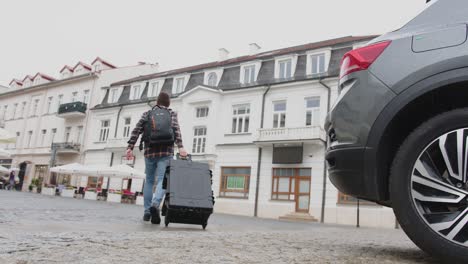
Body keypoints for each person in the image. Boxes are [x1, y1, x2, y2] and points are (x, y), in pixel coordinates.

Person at [126, 92, 187, 224]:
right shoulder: (171, 114)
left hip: (149, 151)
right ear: (168, 103)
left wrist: (130, 146)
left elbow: (137, 130)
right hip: (166, 151)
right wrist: (181, 146)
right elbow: (176, 130)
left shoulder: (147, 114)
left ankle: (147, 212)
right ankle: (155, 204)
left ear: (157, 102)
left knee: (148, 181)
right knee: (162, 180)